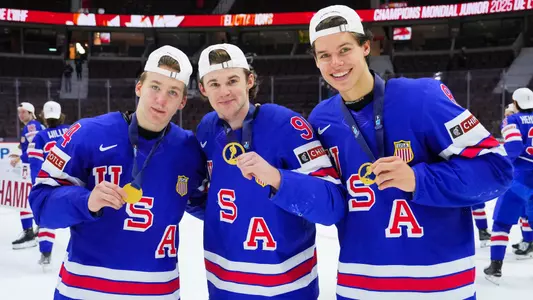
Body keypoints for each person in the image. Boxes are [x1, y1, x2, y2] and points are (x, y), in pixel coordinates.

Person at [307, 5, 512, 299]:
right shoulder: (321, 119)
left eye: (344, 50)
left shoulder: (422, 97)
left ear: (366, 46)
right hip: (359, 287)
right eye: (324, 55)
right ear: (316, 61)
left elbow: (496, 170)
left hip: (440, 285)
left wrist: (418, 179)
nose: (336, 63)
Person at [29, 45, 206, 299]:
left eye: (173, 92)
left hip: (158, 292)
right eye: (154, 86)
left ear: (182, 102)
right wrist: (86, 201)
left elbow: (211, 204)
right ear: (139, 87)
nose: (161, 99)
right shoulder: (87, 134)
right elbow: (41, 205)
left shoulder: (189, 149)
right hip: (84, 292)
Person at [194, 43, 346, 299]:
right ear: (202, 88)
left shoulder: (287, 124)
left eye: (232, 80)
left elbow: (332, 205)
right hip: (223, 288)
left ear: (249, 80)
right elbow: (204, 198)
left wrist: (278, 178)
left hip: (287, 290)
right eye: (214, 84)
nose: (224, 92)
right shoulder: (206, 129)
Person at [484, 88, 533, 284]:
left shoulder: (513, 120)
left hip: (519, 178)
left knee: (502, 223)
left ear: (516, 102)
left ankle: (495, 266)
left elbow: (513, 148)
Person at [27, 100, 70, 266]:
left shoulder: (40, 137)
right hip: (75, 179)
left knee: (46, 216)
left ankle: (46, 254)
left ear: (43, 116)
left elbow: (35, 163)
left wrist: (36, 185)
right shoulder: (71, 130)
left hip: (52, 182)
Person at [10, 102, 45, 250]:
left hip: (33, 167)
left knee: (24, 199)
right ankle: (39, 228)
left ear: (31, 113)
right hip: (37, 166)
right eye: (19, 112)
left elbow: (33, 148)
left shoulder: (31, 126)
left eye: (24, 112)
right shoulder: (34, 126)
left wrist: (20, 158)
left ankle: (29, 233)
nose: (21, 115)